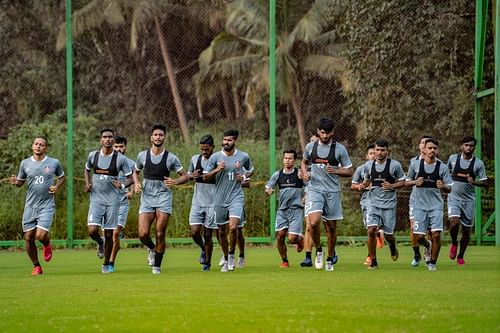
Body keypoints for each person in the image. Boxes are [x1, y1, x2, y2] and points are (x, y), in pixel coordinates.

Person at [133, 124, 188, 274]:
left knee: (159, 232)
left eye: (161, 135)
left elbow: (185, 175)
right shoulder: (142, 156)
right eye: (155, 135)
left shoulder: (171, 158)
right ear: (151, 137)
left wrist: (175, 181)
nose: (158, 137)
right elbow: (135, 171)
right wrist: (137, 183)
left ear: (164, 137)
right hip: (147, 197)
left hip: (163, 197)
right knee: (143, 234)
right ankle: (152, 249)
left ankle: (157, 266)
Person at [301, 117, 353, 271]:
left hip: (332, 192)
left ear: (332, 132)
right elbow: (304, 162)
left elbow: (349, 170)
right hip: (315, 189)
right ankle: (318, 250)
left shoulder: (339, 149)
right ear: (318, 132)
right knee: (314, 223)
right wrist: (305, 174)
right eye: (322, 133)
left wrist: (337, 170)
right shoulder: (311, 147)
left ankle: (330, 258)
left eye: (327, 133)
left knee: (331, 227)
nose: (324, 136)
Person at [10, 136, 65, 275]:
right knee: (28, 237)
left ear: (45, 147)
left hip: (46, 205)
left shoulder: (54, 162)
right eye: (36, 144)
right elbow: (20, 182)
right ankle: (37, 266)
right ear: (32, 146)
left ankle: (46, 244)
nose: (38, 146)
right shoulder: (25, 163)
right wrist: (15, 181)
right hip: (30, 205)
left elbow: (62, 177)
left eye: (41, 144)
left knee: (40, 236)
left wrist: (57, 186)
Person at [204, 129, 254, 272]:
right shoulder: (215, 157)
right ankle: (226, 258)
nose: (226, 142)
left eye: (229, 140)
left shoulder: (243, 156)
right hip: (219, 198)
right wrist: (217, 170)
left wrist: (244, 177)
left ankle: (232, 254)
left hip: (236, 197)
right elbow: (206, 177)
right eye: (224, 140)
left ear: (235, 141)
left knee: (233, 228)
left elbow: (251, 170)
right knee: (221, 231)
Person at [84, 129, 133, 273]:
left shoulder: (121, 159)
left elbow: (131, 177)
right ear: (101, 140)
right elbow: (86, 170)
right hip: (96, 200)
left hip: (113, 201)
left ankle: (107, 264)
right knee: (92, 231)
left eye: (110, 137)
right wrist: (87, 184)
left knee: (110, 234)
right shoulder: (93, 156)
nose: (108, 139)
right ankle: (100, 243)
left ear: (113, 139)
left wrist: (123, 185)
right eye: (105, 137)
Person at [405, 138, 452, 271]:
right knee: (418, 236)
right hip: (419, 205)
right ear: (423, 150)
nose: (432, 150)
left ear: (437, 150)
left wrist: (443, 186)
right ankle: (427, 244)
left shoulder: (442, 167)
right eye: (429, 148)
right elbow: (406, 182)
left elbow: (450, 188)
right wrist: (415, 182)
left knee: (436, 234)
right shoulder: (415, 165)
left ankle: (432, 262)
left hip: (436, 206)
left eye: (434, 148)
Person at [361, 139, 406, 269]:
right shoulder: (368, 165)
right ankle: (373, 260)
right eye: (377, 150)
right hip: (372, 203)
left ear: (387, 151)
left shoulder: (395, 165)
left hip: (389, 204)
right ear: (374, 151)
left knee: (389, 235)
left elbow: (403, 181)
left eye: (382, 150)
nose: (379, 153)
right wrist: (363, 185)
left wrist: (392, 185)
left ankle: (392, 247)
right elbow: (367, 180)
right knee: (371, 230)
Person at [446, 136, 488, 265]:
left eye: (471, 146)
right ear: (461, 146)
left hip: (469, 200)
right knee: (454, 223)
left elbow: (485, 183)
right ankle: (453, 243)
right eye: (466, 145)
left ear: (474, 148)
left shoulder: (478, 163)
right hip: (454, 198)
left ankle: (461, 255)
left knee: (466, 230)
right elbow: (445, 173)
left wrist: (473, 182)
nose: (468, 147)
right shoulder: (453, 159)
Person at [265, 148, 305, 268]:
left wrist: (305, 197)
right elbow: (268, 187)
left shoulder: (299, 174)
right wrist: (269, 191)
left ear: (294, 160)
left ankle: (299, 240)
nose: (287, 160)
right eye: (286, 158)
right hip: (282, 211)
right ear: (283, 159)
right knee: (280, 236)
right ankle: (285, 261)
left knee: (291, 238)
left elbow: (309, 186)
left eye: (290, 158)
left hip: (296, 210)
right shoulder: (278, 175)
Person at [187, 134, 217, 271]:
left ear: (213, 148)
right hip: (197, 201)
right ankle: (203, 248)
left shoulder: (217, 160)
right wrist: (191, 176)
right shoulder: (195, 159)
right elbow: (188, 175)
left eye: (207, 149)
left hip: (212, 202)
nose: (204, 152)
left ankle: (207, 263)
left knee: (208, 234)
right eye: (202, 149)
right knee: (194, 231)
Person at [109, 135, 136, 272]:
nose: (119, 149)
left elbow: (133, 178)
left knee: (115, 234)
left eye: (121, 146)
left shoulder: (130, 163)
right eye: (116, 147)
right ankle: (105, 245)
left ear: (126, 147)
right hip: (107, 203)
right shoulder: (106, 161)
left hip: (122, 202)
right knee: (108, 235)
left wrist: (130, 191)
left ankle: (111, 263)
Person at [408, 135, 433, 267]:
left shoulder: (436, 162)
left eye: (427, 144)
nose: (424, 146)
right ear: (419, 146)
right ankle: (416, 254)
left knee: (429, 230)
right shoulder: (414, 162)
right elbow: (408, 180)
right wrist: (415, 182)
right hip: (415, 200)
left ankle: (427, 251)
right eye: (422, 143)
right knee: (414, 228)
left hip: (430, 201)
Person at [351, 144, 377, 265]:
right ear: (367, 156)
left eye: (375, 153)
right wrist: (360, 186)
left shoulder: (384, 168)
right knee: (370, 229)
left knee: (376, 229)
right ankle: (370, 256)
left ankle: (381, 235)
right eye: (371, 153)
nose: (373, 155)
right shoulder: (361, 169)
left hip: (383, 200)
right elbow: (353, 185)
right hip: (367, 200)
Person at [300, 133, 319, 267]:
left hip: (327, 194)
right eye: (310, 141)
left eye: (315, 141)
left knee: (329, 226)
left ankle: (330, 251)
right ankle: (308, 256)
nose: (312, 144)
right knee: (309, 226)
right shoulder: (306, 163)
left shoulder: (328, 158)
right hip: (311, 194)